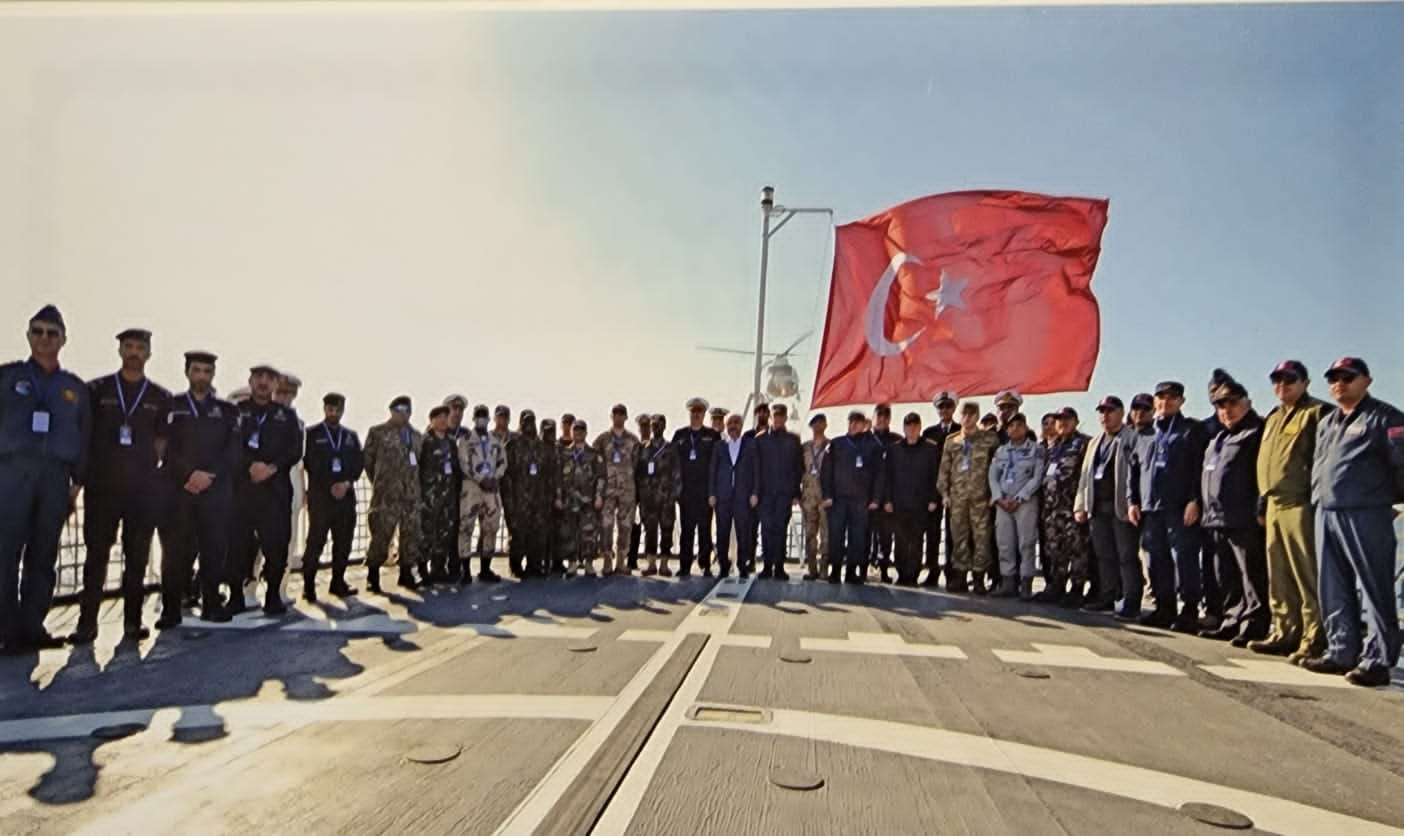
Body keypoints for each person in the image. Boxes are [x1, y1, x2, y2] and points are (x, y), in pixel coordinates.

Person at [1302, 357, 1404, 687]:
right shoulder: (1328, 422)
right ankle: (1341, 649)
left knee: (1373, 585)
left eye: (1348, 377)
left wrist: (1388, 500)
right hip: (1327, 510)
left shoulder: (1385, 418)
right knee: (1331, 583)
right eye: (1334, 377)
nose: (1340, 383)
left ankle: (1378, 658)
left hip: (1366, 510)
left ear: (1367, 380)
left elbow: (1401, 465)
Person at [0, 306, 91, 653]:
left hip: (55, 476)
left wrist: (77, 483)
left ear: (64, 340)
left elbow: (84, 436)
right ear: (27, 335)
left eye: (52, 333)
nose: (44, 339)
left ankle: (33, 625)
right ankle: (7, 630)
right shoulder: (7, 378)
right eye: (38, 331)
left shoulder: (74, 389)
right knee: (5, 554)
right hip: (12, 472)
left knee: (43, 555)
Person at [71, 328, 171, 644]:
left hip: (142, 488)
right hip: (103, 486)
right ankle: (87, 624)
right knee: (96, 555)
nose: (134, 352)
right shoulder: (96, 390)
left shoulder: (160, 396)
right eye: (128, 346)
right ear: (120, 351)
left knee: (137, 556)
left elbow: (161, 441)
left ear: (149, 354)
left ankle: (132, 622)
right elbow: (83, 435)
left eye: (140, 348)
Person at [1251, 360, 1329, 663]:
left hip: (1300, 503)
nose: (1283, 385)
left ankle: (1313, 637)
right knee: (1279, 573)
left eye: (1290, 380)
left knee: (1306, 573)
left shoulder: (1317, 413)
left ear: (1305, 383)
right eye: (1278, 380)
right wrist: (1261, 502)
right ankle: (1284, 631)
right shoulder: (1273, 418)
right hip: (1273, 504)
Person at [155, 351, 239, 629]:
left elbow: (233, 450)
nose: (201, 376)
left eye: (206, 371)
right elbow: (164, 447)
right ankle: (170, 610)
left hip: (215, 490)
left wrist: (208, 475)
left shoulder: (228, 411)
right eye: (196, 370)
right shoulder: (171, 405)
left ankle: (212, 604)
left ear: (213, 375)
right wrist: (188, 473)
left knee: (214, 550)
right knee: (175, 552)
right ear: (187, 372)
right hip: (179, 489)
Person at [1127, 381, 1210, 632]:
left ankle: (1189, 609)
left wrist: (1195, 500)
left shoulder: (1190, 430)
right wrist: (1133, 501)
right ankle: (1165, 607)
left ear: (1181, 401)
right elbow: (1134, 470)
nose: (1166, 402)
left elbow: (1199, 467)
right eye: (1161, 397)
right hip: (1151, 509)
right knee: (1156, 561)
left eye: (1172, 398)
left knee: (1183, 559)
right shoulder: (1144, 434)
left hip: (1179, 507)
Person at [1198, 373, 1269, 646]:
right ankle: (1231, 619)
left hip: (1242, 517)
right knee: (1225, 575)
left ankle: (1253, 624)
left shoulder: (1257, 432)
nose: (1226, 410)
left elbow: (1263, 475)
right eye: (1220, 405)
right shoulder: (1219, 437)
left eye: (1232, 403)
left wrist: (1260, 507)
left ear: (1247, 402)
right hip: (1215, 517)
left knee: (1250, 574)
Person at [230, 365, 302, 616]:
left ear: (275, 385)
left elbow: (295, 450)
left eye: (269, 379)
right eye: (258, 377)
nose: (263, 382)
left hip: (276, 490)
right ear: (250, 381)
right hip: (243, 489)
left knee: (277, 545)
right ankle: (237, 595)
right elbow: (228, 446)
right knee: (238, 545)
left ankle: (272, 595)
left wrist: (271, 468)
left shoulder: (287, 416)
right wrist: (249, 466)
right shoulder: (236, 412)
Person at [1074, 396, 1144, 619]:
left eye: (1110, 411)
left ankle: (1131, 599)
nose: (1105, 416)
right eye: (1102, 412)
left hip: (1121, 506)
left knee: (1126, 555)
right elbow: (1084, 477)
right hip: (1098, 507)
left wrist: (1135, 502)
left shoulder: (1132, 437)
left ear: (1121, 413)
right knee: (1104, 555)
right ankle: (1107, 596)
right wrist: (1081, 504)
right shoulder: (1095, 442)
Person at [300, 392, 363, 602]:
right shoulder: (312, 434)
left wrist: (346, 483)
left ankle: (338, 581)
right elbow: (309, 463)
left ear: (343, 411)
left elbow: (358, 463)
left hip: (345, 496)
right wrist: (329, 485)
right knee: (316, 541)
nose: (333, 413)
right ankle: (308, 585)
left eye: (337, 409)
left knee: (343, 540)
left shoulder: (350, 437)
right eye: (330, 409)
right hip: (321, 497)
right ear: (324, 409)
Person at [938, 402, 1000, 594]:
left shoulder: (990, 439)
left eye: (972, 414)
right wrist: (945, 494)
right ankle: (960, 577)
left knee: (981, 538)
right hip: (957, 499)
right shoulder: (952, 441)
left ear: (977, 416)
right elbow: (944, 470)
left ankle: (979, 577)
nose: (968, 418)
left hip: (981, 498)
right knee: (959, 538)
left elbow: (997, 468)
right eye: (965, 414)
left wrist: (994, 494)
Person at [364, 396, 423, 593]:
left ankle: (406, 573)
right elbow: (368, 462)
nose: (402, 413)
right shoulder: (378, 433)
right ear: (391, 410)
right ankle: (373, 576)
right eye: (398, 409)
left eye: (406, 409)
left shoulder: (416, 436)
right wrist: (381, 482)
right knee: (381, 535)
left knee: (410, 535)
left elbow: (420, 464)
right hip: (386, 495)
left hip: (411, 496)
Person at [1035, 407, 1093, 608]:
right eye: (1059, 420)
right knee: (1054, 550)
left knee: (1077, 550)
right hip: (1052, 509)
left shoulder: (1084, 444)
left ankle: (1076, 589)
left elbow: (1087, 477)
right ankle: (1056, 586)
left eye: (1067, 419)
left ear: (1076, 422)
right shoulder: (1052, 447)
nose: (1062, 423)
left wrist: (1082, 504)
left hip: (1072, 508)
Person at [820, 410, 883, 584]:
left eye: (858, 422)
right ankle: (835, 570)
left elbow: (879, 474)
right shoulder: (836, 444)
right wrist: (827, 495)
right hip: (838, 500)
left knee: (858, 538)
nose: (854, 425)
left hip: (861, 501)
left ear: (864, 424)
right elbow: (826, 472)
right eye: (851, 421)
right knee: (836, 536)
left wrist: (876, 499)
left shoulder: (872, 446)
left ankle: (851, 571)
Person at [988, 413, 1045, 599]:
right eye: (1011, 426)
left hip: (1025, 503)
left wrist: (1020, 497)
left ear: (1026, 428)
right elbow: (992, 477)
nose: (1015, 429)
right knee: (1004, 543)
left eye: (1019, 425)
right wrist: (999, 497)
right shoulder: (1001, 451)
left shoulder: (1036, 450)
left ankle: (1026, 583)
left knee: (1026, 543)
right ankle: (1008, 582)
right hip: (1003, 503)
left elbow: (1037, 477)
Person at [884, 412, 940, 586]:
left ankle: (913, 574)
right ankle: (901, 574)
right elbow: (888, 477)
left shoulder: (930, 449)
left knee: (916, 541)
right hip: (899, 503)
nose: (912, 429)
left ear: (920, 427)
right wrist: (888, 500)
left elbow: (936, 476)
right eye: (908, 426)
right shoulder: (894, 449)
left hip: (921, 504)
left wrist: (934, 499)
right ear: (904, 428)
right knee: (900, 540)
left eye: (915, 426)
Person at [755, 403, 804, 580]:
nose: (778, 419)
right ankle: (767, 566)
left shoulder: (793, 440)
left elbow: (798, 468)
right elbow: (756, 469)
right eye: (775, 415)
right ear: (770, 417)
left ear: (785, 418)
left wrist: (796, 493)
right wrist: (755, 492)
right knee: (766, 530)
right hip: (765, 494)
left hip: (784, 494)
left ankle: (779, 567)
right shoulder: (760, 440)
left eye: (781, 416)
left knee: (781, 530)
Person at [460, 404, 507, 583]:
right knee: (466, 528)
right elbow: (463, 463)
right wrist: (480, 479)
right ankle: (465, 570)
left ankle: (485, 568)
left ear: (489, 419)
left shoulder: (495, 441)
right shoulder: (466, 439)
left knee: (491, 528)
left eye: (484, 416)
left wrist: (495, 477)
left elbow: (503, 462)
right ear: (474, 418)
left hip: (492, 490)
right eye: (478, 416)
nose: (482, 419)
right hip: (472, 488)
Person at [673, 397, 720, 578]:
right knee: (686, 530)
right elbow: (673, 462)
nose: (696, 415)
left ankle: (705, 564)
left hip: (705, 492)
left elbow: (717, 465)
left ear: (704, 414)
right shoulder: (680, 436)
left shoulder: (712, 436)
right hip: (686, 492)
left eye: (699, 412)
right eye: (693, 411)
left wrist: (713, 491)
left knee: (704, 530)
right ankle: (685, 565)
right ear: (689, 413)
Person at [594, 404, 642, 576]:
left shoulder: (633, 440)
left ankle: (621, 560)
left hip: (627, 490)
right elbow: (596, 465)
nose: (619, 417)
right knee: (606, 525)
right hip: (608, 490)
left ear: (626, 417)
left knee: (625, 526)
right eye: (616, 414)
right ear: (611, 416)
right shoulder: (602, 440)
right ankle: (607, 558)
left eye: (622, 414)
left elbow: (638, 465)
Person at [710, 412, 760, 578]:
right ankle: (724, 565)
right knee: (722, 533)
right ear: (726, 425)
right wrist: (712, 493)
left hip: (743, 497)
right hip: (723, 497)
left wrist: (754, 493)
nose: (733, 426)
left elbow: (756, 471)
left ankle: (742, 565)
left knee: (743, 533)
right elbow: (713, 471)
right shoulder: (719, 446)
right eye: (730, 423)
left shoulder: (750, 445)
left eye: (736, 422)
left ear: (741, 425)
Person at [508, 410, 556, 578]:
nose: (529, 425)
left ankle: (534, 564)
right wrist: (509, 500)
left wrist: (550, 497)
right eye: (525, 421)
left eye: (531, 421)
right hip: (520, 496)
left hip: (539, 497)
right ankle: (516, 565)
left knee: (538, 533)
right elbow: (508, 474)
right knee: (519, 533)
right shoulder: (513, 444)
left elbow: (549, 473)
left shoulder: (541, 446)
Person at [921, 391, 960, 587]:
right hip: (933, 489)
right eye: (941, 407)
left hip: (957, 488)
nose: (945, 410)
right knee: (932, 533)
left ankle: (953, 573)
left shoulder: (962, 431)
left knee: (954, 532)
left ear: (954, 408)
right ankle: (933, 571)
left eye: (948, 407)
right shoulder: (929, 433)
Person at [557, 420, 605, 576]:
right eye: (575, 430)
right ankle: (572, 563)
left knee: (589, 533)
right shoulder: (564, 453)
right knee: (569, 532)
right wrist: (558, 497)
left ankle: (589, 563)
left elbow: (601, 477)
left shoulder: (593, 454)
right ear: (571, 432)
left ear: (586, 433)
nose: (578, 433)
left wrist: (598, 496)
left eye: (581, 430)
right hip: (570, 501)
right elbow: (558, 478)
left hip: (588, 501)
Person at [419, 405, 460, 587]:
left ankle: (438, 569)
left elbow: (456, 469)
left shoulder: (451, 443)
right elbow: (418, 469)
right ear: (432, 420)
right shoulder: (425, 442)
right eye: (439, 417)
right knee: (427, 532)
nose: (443, 420)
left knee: (445, 533)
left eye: (445, 417)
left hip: (448, 496)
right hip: (430, 496)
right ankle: (422, 570)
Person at [637, 414, 681, 577]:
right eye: (654, 425)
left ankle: (664, 564)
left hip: (666, 498)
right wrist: (641, 495)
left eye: (659, 425)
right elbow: (639, 473)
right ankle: (651, 564)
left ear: (664, 427)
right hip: (648, 499)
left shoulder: (671, 448)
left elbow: (677, 473)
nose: (656, 428)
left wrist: (674, 495)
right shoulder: (643, 448)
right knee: (650, 531)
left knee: (667, 530)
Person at [800, 414, 831, 581]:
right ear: (811, 426)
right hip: (808, 496)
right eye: (815, 423)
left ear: (825, 425)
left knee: (826, 534)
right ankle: (812, 569)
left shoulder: (831, 446)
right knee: (810, 534)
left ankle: (824, 569)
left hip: (825, 496)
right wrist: (797, 495)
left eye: (821, 423)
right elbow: (798, 470)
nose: (818, 426)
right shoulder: (805, 447)